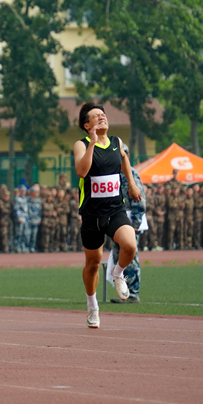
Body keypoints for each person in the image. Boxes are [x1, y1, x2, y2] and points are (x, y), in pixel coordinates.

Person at [73, 102, 141, 329]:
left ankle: (118, 272)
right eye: (95, 116)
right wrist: (92, 143)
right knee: (92, 264)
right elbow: (82, 171)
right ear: (86, 124)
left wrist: (131, 185)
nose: (102, 117)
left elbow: (124, 159)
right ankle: (92, 307)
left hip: (115, 209)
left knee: (130, 244)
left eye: (103, 114)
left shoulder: (117, 142)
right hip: (92, 214)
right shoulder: (81, 145)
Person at [110, 145, 146, 304]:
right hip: (117, 220)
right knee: (119, 257)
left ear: (127, 155)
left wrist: (136, 223)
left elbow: (139, 199)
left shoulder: (131, 174)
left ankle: (133, 292)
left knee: (131, 257)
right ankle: (124, 292)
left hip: (130, 220)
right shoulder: (113, 173)